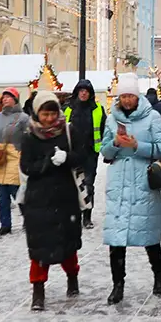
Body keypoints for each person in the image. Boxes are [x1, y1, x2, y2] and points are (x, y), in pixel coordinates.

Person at [100, 73, 161, 305]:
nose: (127, 100)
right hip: (119, 181)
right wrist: (116, 144)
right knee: (116, 238)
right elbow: (105, 152)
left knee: (149, 234)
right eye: (123, 96)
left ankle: (159, 276)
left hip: (143, 180)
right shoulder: (112, 119)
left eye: (130, 95)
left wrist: (137, 145)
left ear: (137, 95)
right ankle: (117, 284)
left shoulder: (152, 117)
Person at [20, 92, 83, 311]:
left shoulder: (68, 131)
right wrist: (48, 162)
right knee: (39, 248)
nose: (49, 119)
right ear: (37, 113)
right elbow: (26, 167)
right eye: (45, 114)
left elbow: (82, 157)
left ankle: (72, 278)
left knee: (67, 243)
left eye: (53, 113)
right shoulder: (29, 135)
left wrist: (67, 158)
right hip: (39, 199)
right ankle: (38, 291)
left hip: (65, 196)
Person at [0, 88, 28, 236]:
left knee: (17, 191)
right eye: (3, 97)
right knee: (2, 194)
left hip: (16, 157)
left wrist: (24, 154)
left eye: (9, 97)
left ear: (15, 99)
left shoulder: (23, 118)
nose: (5, 99)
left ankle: (28, 218)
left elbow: (28, 138)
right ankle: (5, 224)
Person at [67, 79, 106, 229]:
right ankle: (74, 215)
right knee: (72, 186)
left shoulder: (98, 110)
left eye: (86, 91)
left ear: (90, 94)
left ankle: (87, 216)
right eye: (81, 90)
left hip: (90, 153)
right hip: (72, 153)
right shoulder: (68, 109)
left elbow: (103, 130)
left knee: (88, 185)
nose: (83, 93)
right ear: (77, 92)